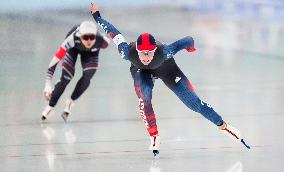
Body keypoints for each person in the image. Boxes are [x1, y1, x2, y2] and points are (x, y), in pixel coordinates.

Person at [90, 3, 250, 157]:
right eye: (142, 53)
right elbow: (113, 32)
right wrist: (97, 16)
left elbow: (187, 39)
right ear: (136, 50)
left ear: (155, 50)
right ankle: (154, 136)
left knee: (194, 103)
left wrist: (190, 47)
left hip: (166, 69)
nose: (146, 56)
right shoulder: (126, 52)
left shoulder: (165, 52)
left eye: (149, 52)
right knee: (144, 96)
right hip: (141, 72)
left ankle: (224, 126)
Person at [41, 20, 110, 122]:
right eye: (85, 37)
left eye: (92, 37)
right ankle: (51, 105)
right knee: (66, 78)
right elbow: (54, 61)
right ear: (80, 35)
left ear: (96, 36)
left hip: (91, 53)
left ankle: (71, 101)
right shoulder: (71, 39)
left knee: (88, 76)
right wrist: (48, 83)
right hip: (73, 49)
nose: (89, 41)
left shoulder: (103, 41)